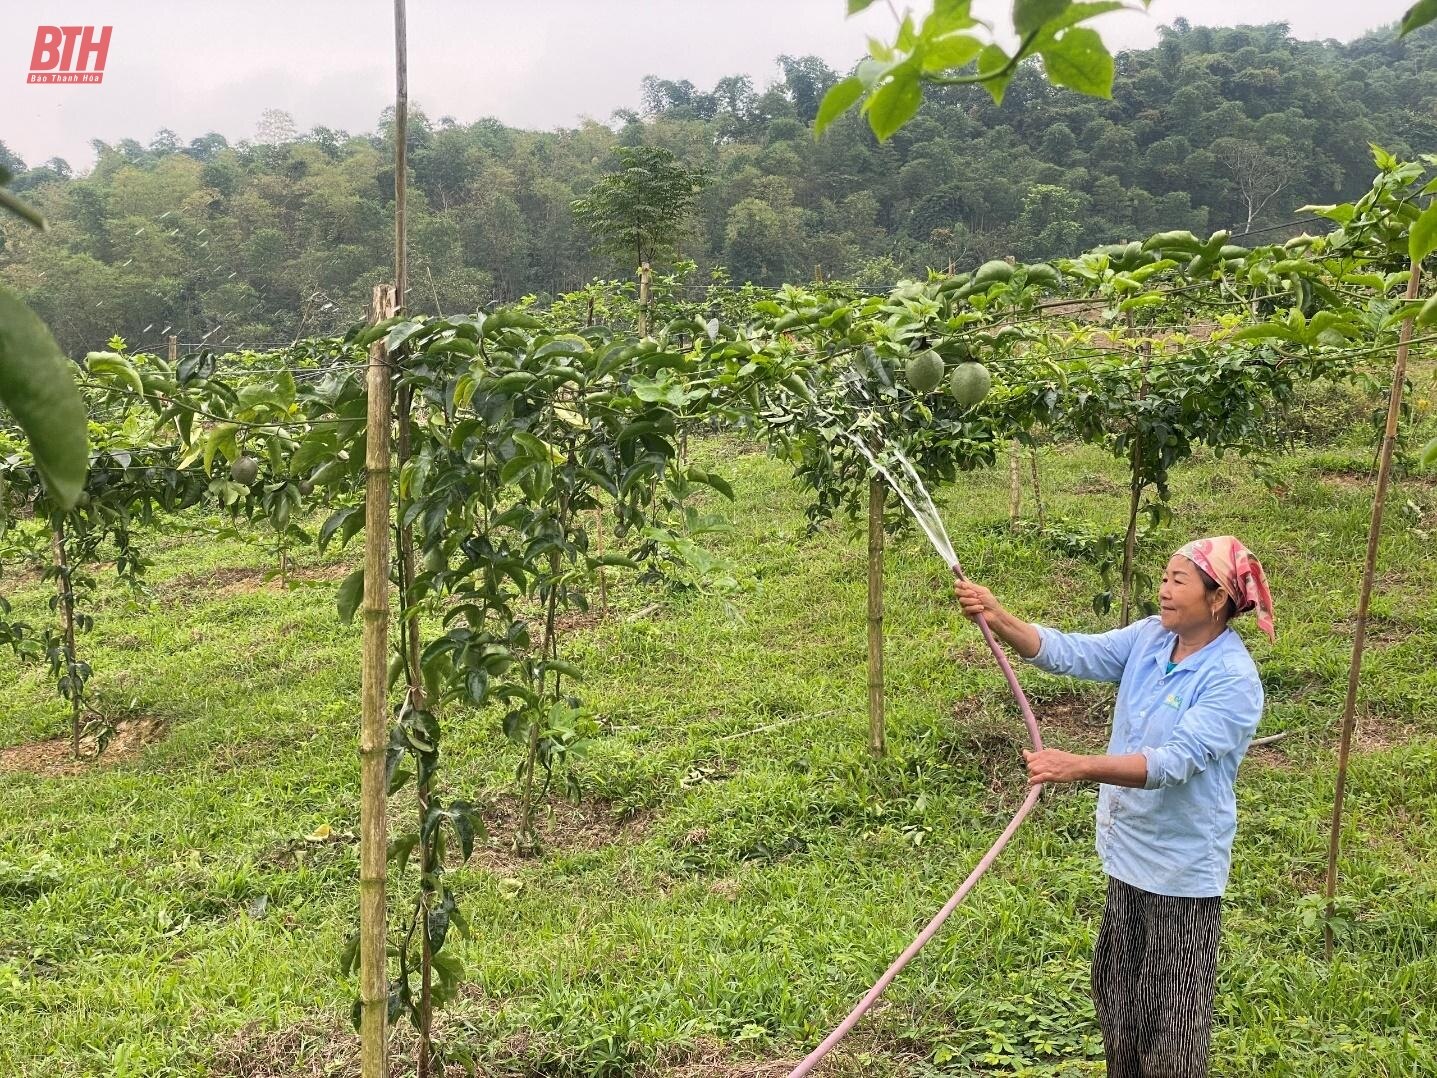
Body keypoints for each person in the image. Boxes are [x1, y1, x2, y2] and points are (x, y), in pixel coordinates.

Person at [954, 536, 1274, 1078]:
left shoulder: (1232, 680)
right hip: (1127, 855)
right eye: (1164, 578)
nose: (1164, 591)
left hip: (1180, 873)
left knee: (1173, 1020)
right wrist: (997, 613)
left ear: (1217, 598)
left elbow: (1173, 762)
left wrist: (1076, 765)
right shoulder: (1151, 638)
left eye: (1179, 581)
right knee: (1119, 998)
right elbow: (1071, 651)